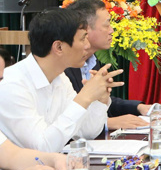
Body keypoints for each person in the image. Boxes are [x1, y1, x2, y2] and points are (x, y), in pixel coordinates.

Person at [0, 9, 121, 152]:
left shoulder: (60, 78)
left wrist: (99, 100)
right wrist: (84, 97)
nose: (88, 46)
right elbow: (42, 147)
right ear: (58, 47)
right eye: (83, 39)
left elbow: (86, 132)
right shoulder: (12, 84)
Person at [64, 0, 161, 129]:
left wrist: (139, 107)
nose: (112, 30)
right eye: (107, 25)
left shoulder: (92, 60)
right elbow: (65, 116)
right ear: (86, 29)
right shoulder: (64, 65)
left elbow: (101, 103)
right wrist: (108, 123)